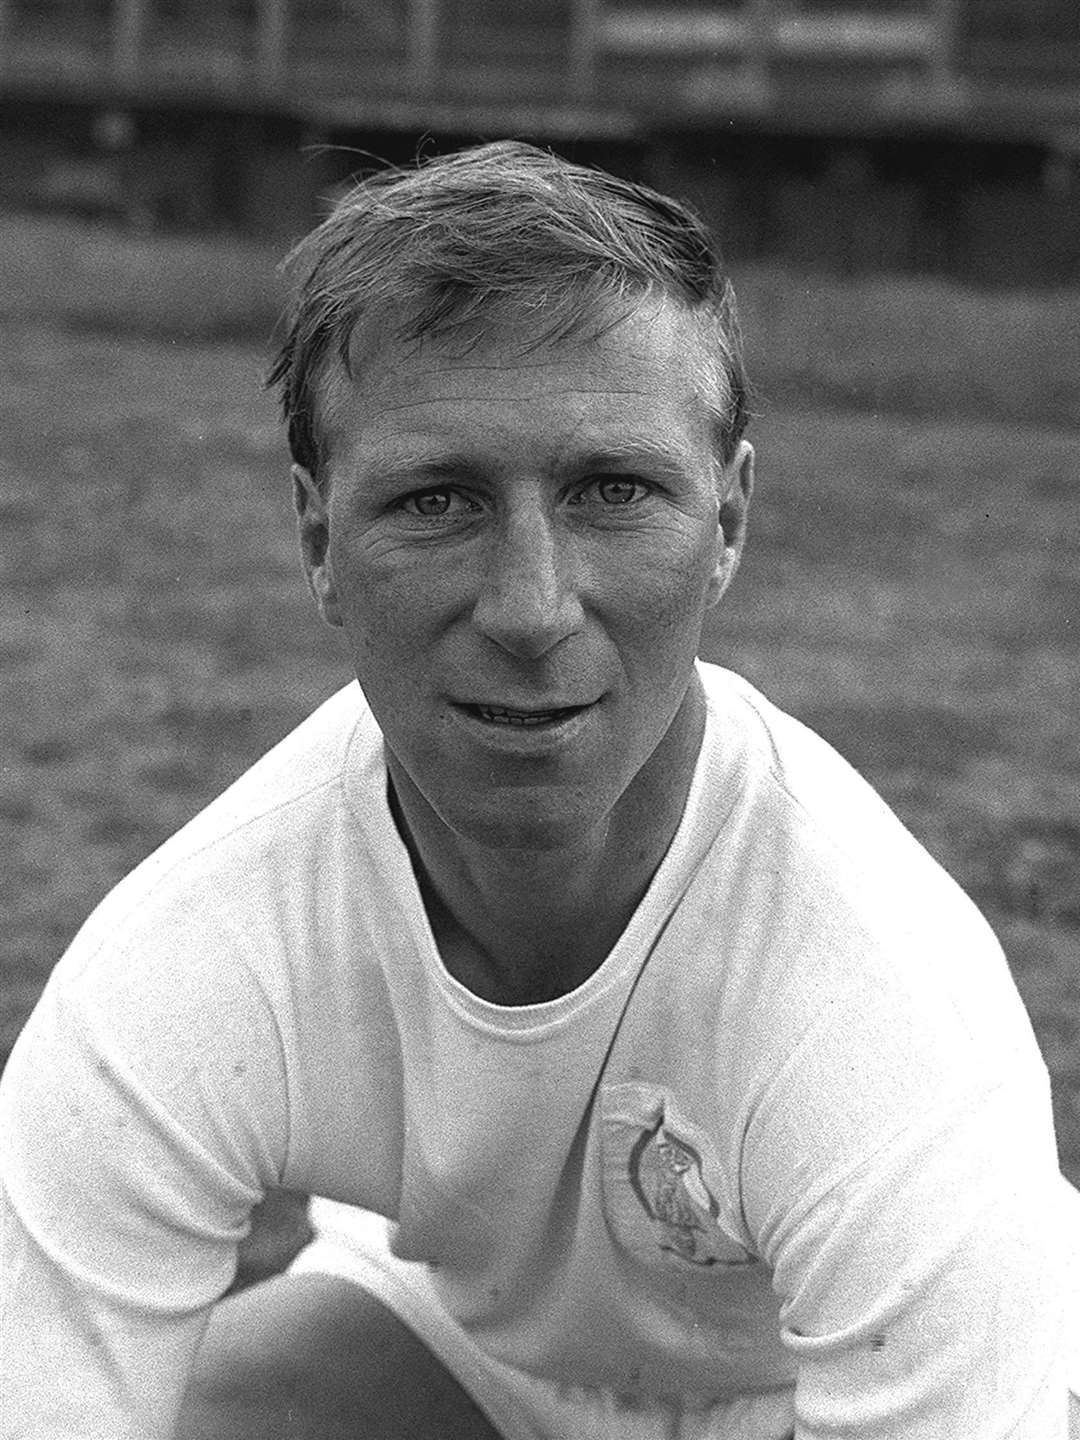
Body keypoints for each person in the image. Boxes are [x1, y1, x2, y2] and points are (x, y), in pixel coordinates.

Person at [0, 140, 1076, 1440]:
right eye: (437, 500)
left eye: (612, 491)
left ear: (727, 520)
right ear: (317, 542)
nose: (529, 607)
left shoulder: (883, 1004)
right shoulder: (185, 970)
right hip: (468, 1356)